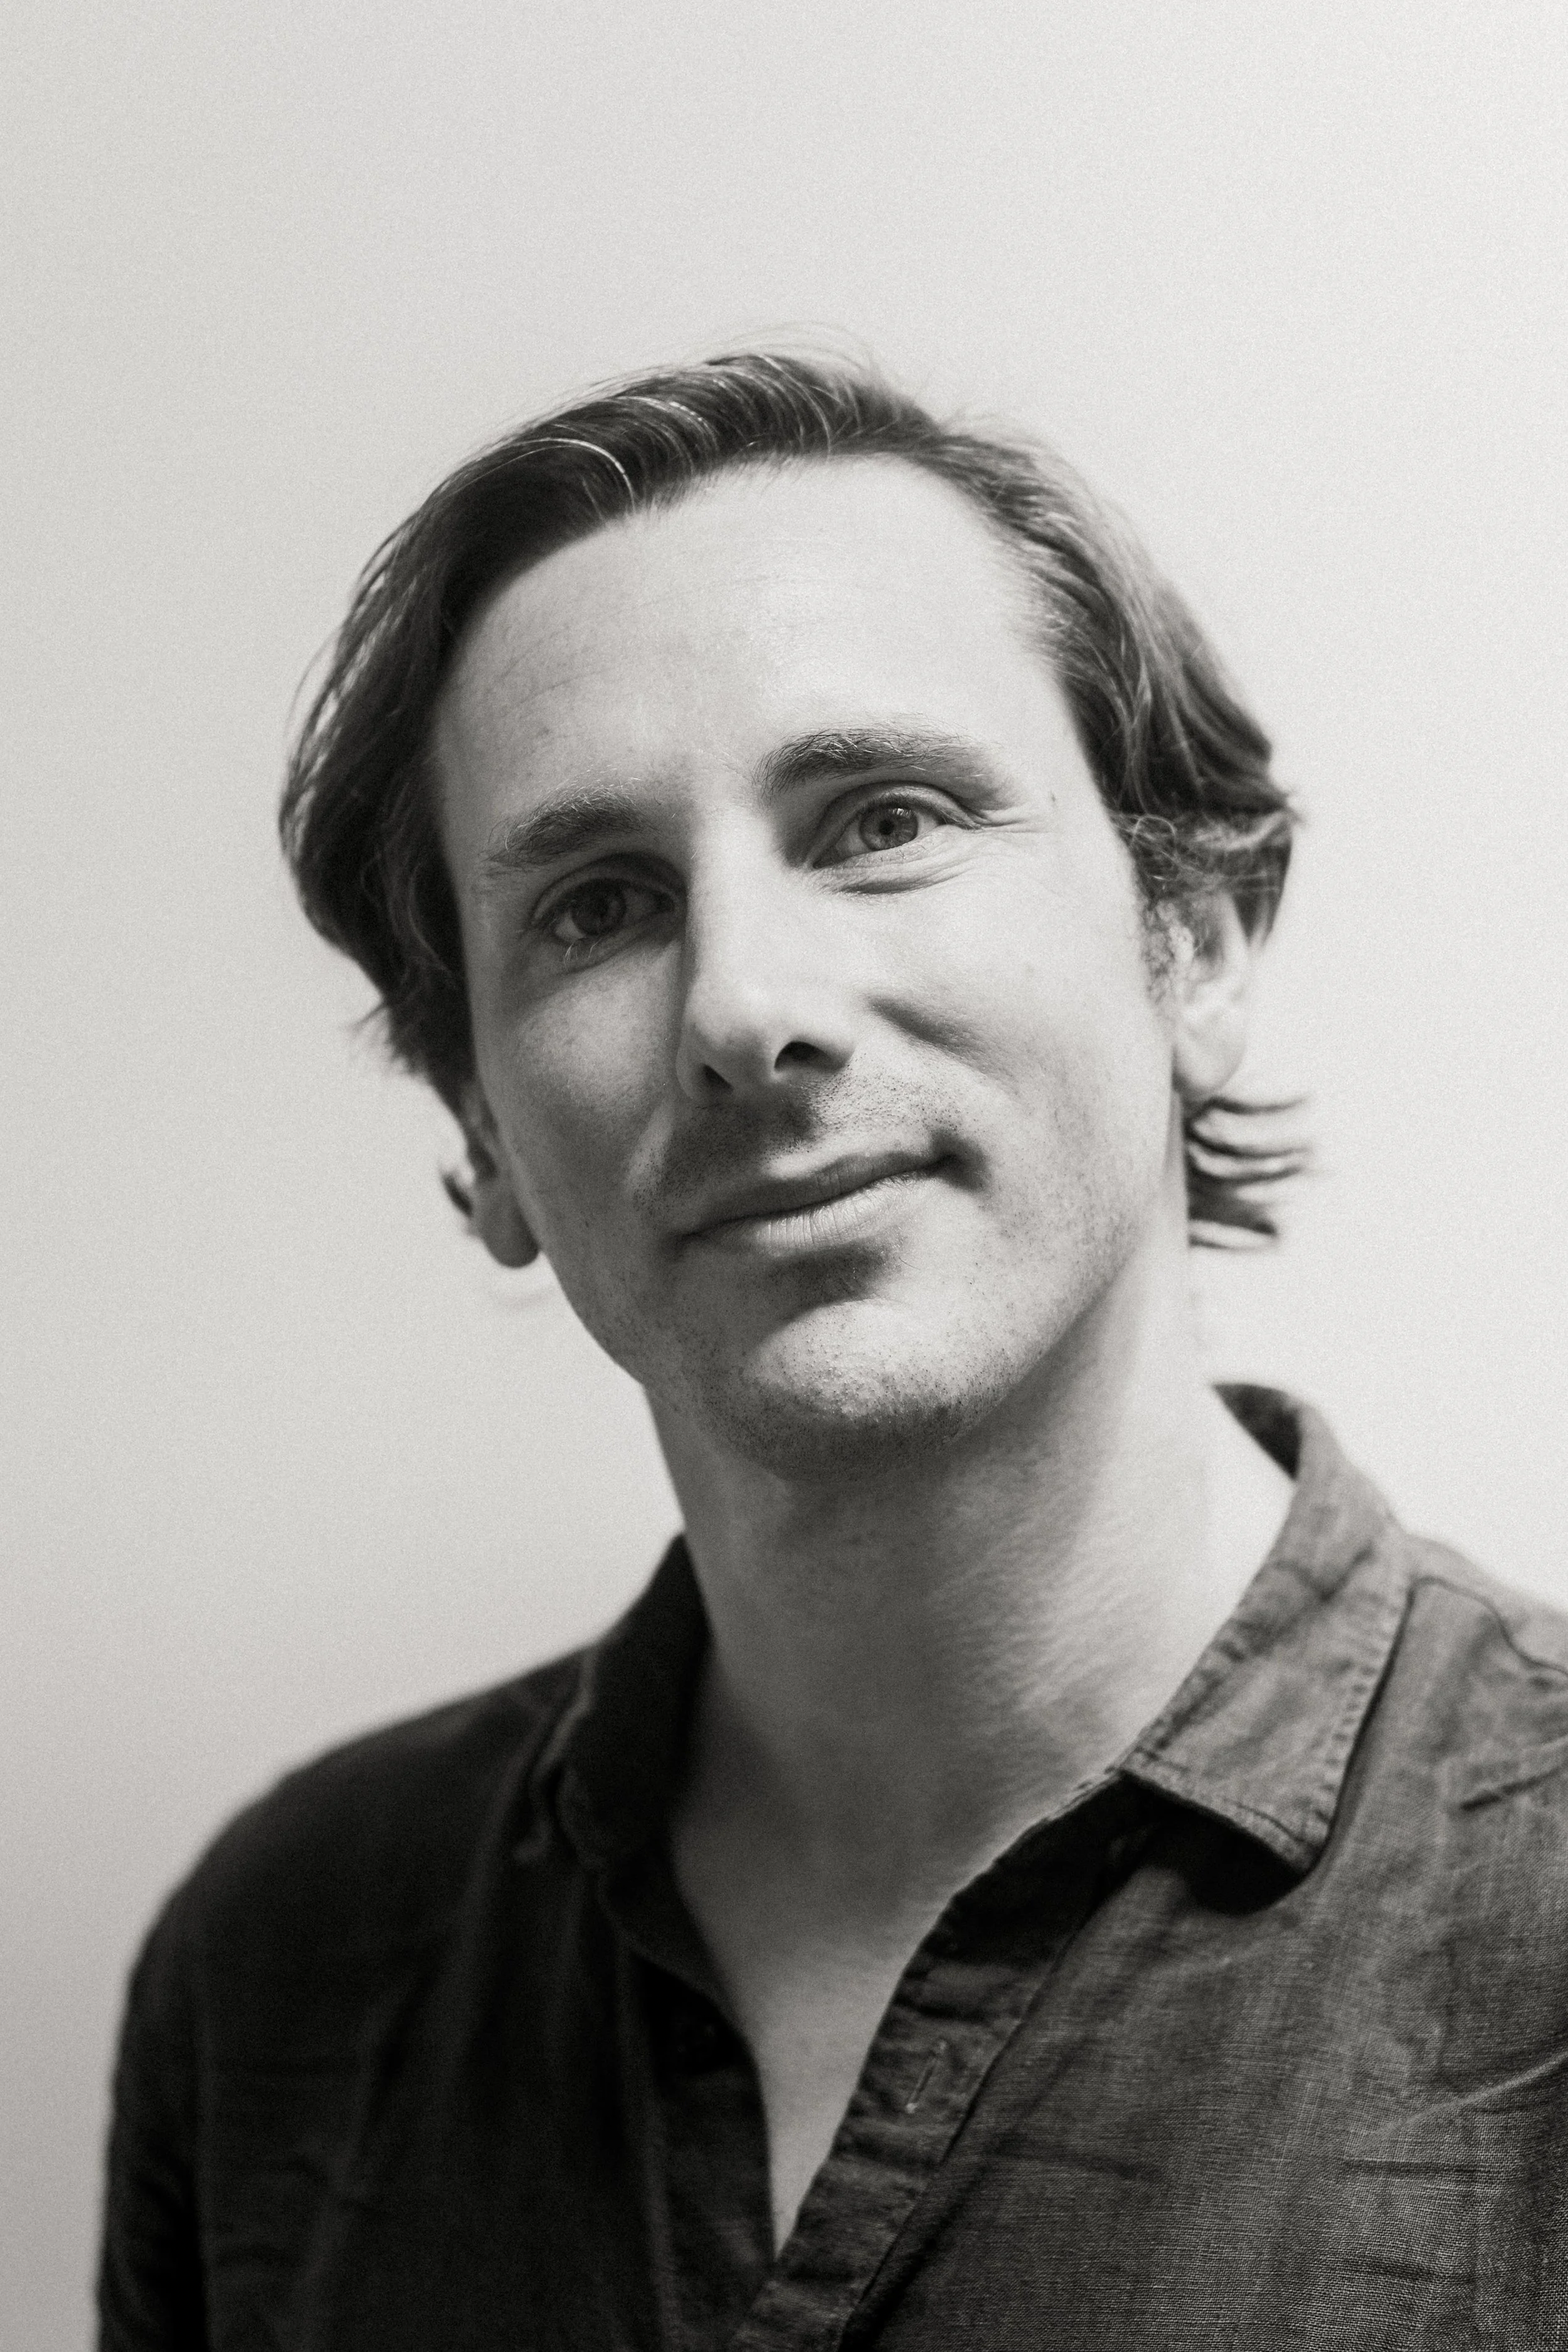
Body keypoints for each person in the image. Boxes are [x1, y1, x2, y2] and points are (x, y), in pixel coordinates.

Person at [100, 354, 1568, 2349]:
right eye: (599, 904)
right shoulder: (291, 1961)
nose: (745, 1001)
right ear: (481, 1140)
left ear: (1193, 937)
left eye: (882, 817)